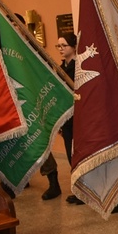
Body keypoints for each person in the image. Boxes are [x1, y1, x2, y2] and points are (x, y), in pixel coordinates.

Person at [38, 32, 79, 202]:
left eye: (64, 46)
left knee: (79, 155)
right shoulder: (61, 68)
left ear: (74, 47)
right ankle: (78, 189)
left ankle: (85, 191)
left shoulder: (78, 67)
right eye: (59, 46)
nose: (61, 49)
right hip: (67, 119)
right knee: (70, 156)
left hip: (79, 118)